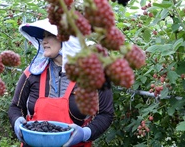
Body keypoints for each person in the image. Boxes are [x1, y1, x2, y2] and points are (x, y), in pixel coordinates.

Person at [8, 19, 114, 147]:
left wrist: (85, 133)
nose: (44, 41)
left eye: (50, 35)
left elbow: (105, 114)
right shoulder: (32, 73)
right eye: (43, 37)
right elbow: (16, 106)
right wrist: (17, 122)